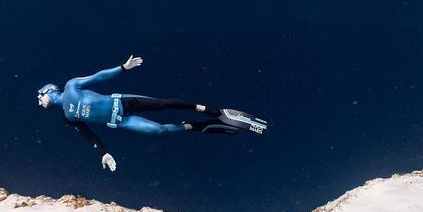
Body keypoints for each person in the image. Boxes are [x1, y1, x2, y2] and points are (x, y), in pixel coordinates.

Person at [37, 55, 267, 172]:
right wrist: (104, 153)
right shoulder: (69, 118)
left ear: (48, 91)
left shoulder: (70, 87)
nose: (40, 102)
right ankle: (195, 126)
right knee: (158, 131)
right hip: (121, 121)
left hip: (125, 103)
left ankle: (210, 110)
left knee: (162, 104)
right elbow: (88, 135)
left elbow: (98, 76)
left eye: (40, 97)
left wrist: (122, 68)